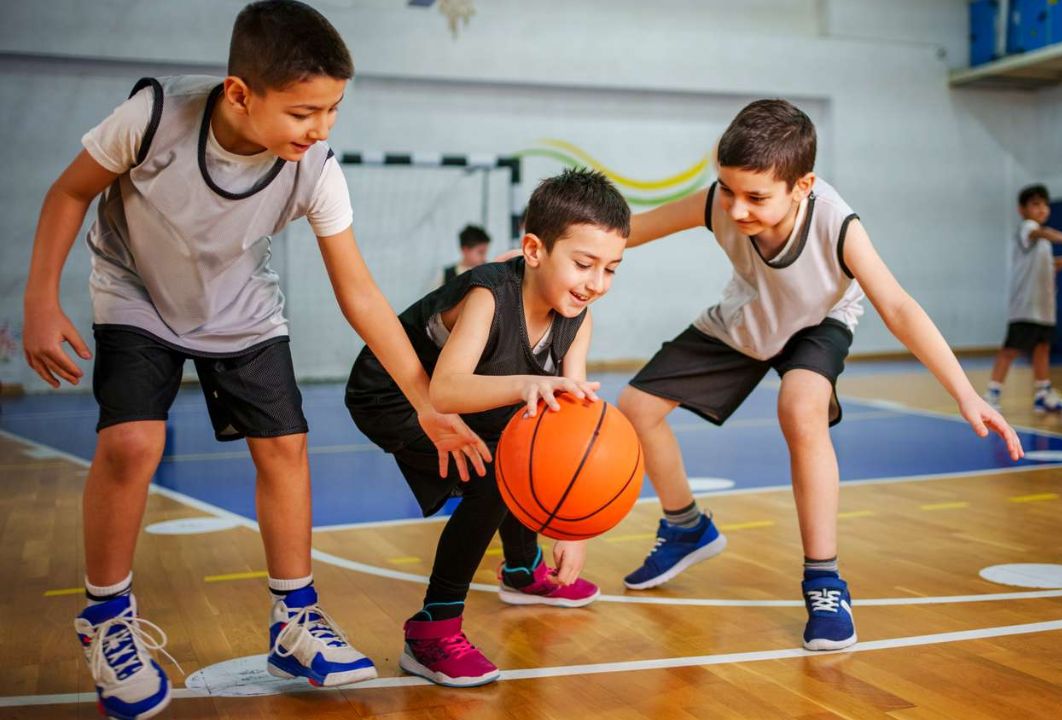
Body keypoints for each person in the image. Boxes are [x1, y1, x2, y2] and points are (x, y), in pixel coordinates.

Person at [21, 2, 491, 715]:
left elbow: (359, 291)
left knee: (286, 447)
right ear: (240, 93)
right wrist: (40, 300)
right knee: (132, 443)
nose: (322, 127)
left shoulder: (316, 170)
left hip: (241, 307)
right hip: (136, 292)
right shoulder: (154, 116)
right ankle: (107, 618)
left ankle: (294, 619)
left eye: (333, 110)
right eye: (304, 112)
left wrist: (426, 400)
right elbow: (69, 192)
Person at [615, 99, 1024, 651]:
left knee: (800, 407)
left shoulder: (836, 224)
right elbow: (631, 230)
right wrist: (539, 258)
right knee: (636, 408)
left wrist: (965, 393)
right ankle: (686, 526)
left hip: (820, 321)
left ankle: (825, 582)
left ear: (801, 186)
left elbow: (899, 307)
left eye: (756, 197)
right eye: (728, 190)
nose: (737, 208)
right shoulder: (720, 201)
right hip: (750, 315)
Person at [345, 168, 629, 686]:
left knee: (524, 444)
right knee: (494, 477)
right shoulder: (489, 295)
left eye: (611, 269)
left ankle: (522, 570)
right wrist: (528, 384)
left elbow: (571, 426)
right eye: (584, 264)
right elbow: (445, 391)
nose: (597, 283)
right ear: (534, 249)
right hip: (392, 394)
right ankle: (431, 629)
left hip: (458, 396)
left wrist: (574, 528)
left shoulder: (578, 318)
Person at [984, 184, 1062, 413]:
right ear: (1022, 209)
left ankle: (1043, 394)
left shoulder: (1044, 242)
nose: (1042, 209)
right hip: (1025, 306)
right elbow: (1039, 232)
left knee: (1043, 348)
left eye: (1045, 205)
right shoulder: (1028, 229)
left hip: (1044, 307)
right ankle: (991, 394)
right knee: (1010, 350)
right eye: (1035, 204)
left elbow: (1050, 265)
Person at [430, 224, 491, 290]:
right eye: (481, 252)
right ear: (465, 250)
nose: (484, 257)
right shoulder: (445, 276)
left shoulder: (488, 273)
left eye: (485, 252)